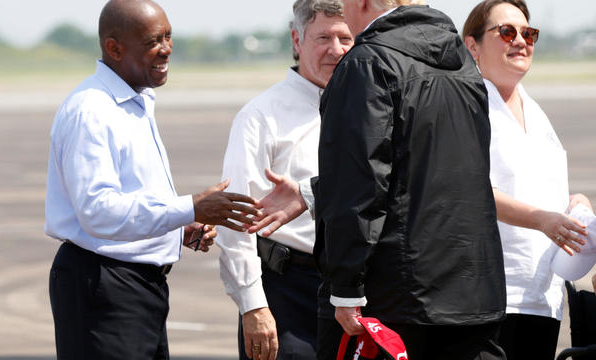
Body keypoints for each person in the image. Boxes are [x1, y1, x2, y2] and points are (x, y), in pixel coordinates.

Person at [252, 1, 508, 359]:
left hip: (395, 302)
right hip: (474, 294)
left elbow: (360, 184)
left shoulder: (368, 63)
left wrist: (345, 290)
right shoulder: (463, 65)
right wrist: (314, 192)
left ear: (362, 3)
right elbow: (432, 172)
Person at [45, 1, 261, 359]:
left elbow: (132, 197)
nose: (166, 49)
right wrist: (188, 206)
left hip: (137, 286)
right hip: (104, 286)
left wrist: (181, 226)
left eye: (168, 36)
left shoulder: (136, 100)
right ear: (114, 48)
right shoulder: (92, 111)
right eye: (152, 41)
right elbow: (98, 211)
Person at [216, 1, 353, 360]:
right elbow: (235, 219)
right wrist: (253, 306)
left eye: (345, 37)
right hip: (287, 294)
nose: (335, 49)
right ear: (297, 40)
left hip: (354, 293)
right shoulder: (261, 116)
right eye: (323, 37)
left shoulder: (370, 110)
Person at [463, 1, 593, 358]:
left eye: (528, 33)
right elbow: (467, 189)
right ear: (472, 45)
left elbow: (538, 189)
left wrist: (575, 203)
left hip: (543, 299)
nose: (520, 40)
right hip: (490, 297)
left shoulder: (536, 111)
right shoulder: (469, 105)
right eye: (506, 32)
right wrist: (539, 219)